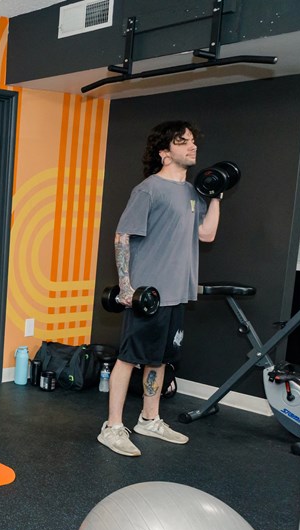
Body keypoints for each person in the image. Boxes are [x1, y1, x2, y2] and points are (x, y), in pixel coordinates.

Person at [98, 121, 221, 457]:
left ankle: (149, 419)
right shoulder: (148, 189)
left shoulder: (193, 193)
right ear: (165, 153)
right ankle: (112, 427)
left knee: (160, 359)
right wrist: (125, 286)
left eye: (193, 141)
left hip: (178, 291)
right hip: (147, 294)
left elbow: (207, 234)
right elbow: (122, 236)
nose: (192, 147)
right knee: (129, 358)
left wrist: (216, 195)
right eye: (183, 142)